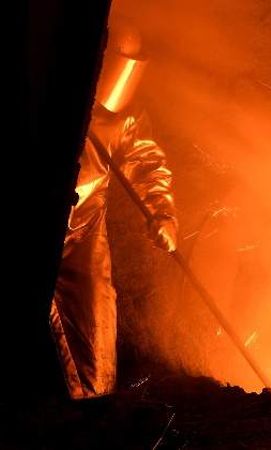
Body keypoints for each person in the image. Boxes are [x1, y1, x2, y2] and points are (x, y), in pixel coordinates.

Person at [49, 23, 178, 399]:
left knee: (96, 325)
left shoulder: (124, 117)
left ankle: (92, 399)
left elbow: (146, 162)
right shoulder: (51, 91)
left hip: (84, 228)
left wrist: (162, 212)